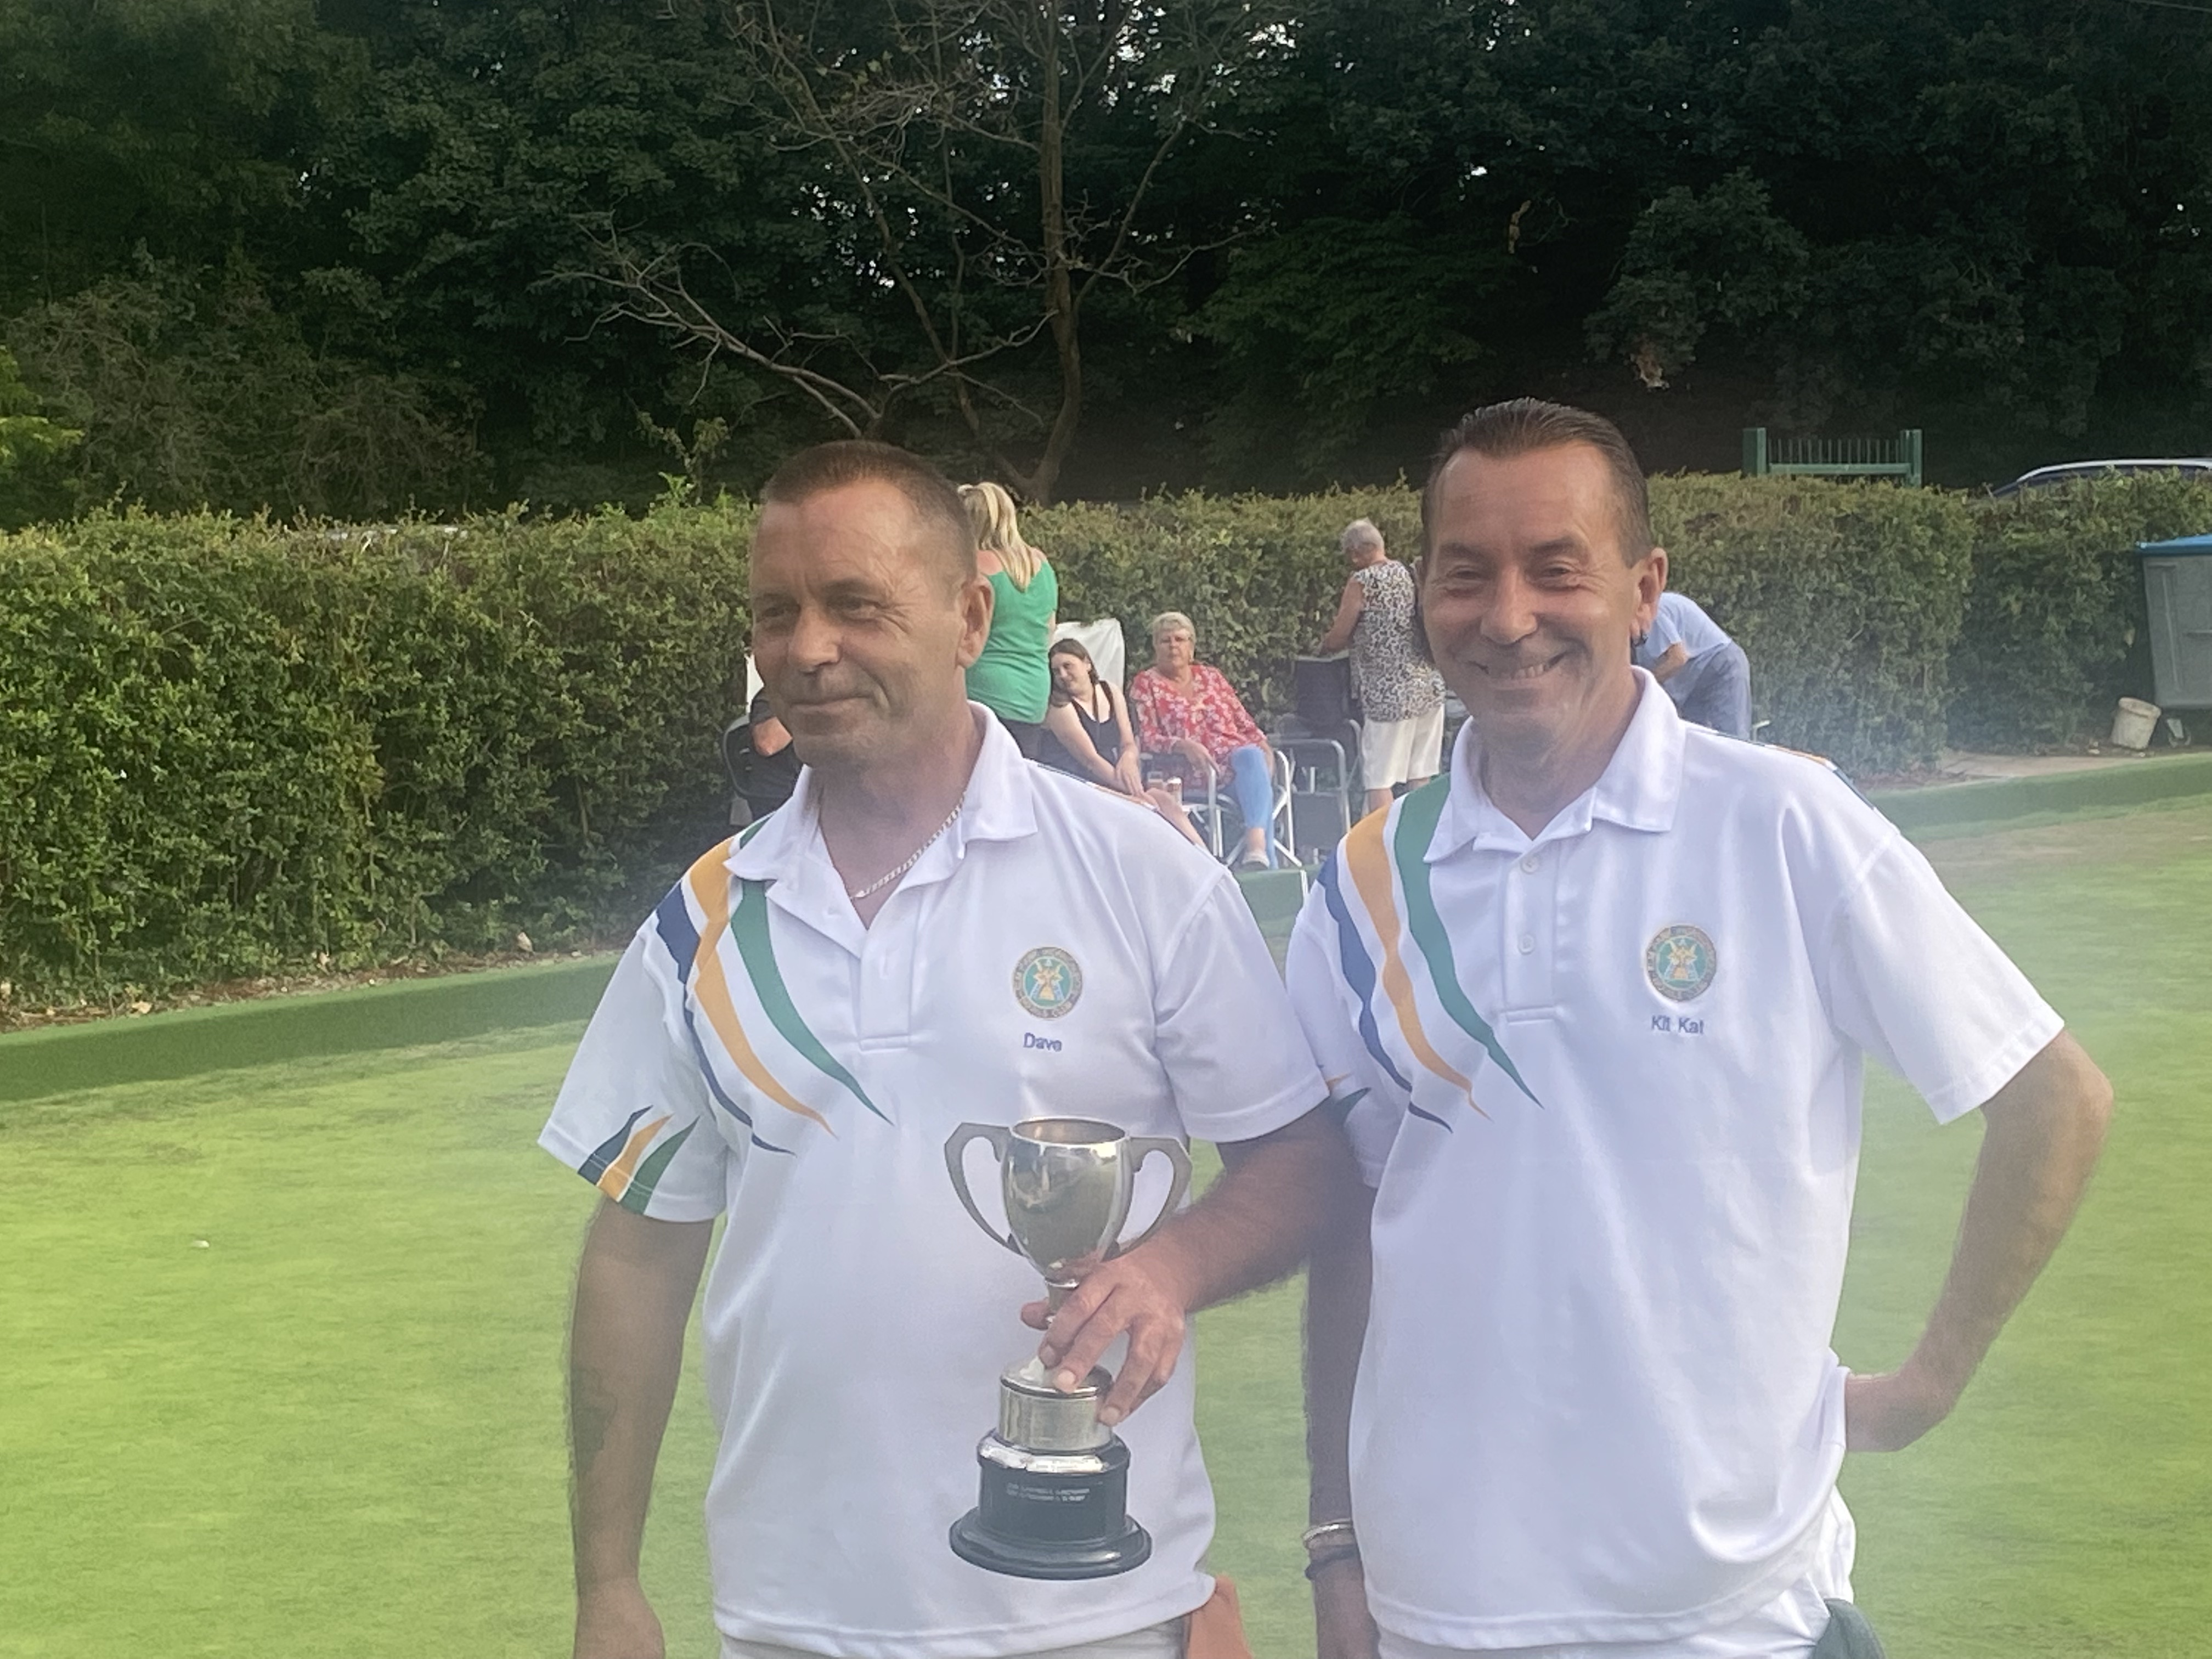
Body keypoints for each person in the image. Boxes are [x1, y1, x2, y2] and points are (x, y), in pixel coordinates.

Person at [1288, 400, 2112, 1659]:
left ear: (1643, 589)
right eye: (1467, 575)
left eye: (1557, 568)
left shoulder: (1782, 823)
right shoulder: (1360, 887)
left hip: (1738, 1619)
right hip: (1437, 1609)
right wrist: (1334, 1542)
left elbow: (2053, 1096)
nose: (1510, 617)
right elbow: (1347, 1236)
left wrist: (1928, 1383)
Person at [542, 440, 1342, 1659]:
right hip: (798, 1614)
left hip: (1100, 1612)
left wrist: (1171, 1267)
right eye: (776, 613)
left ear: (971, 615)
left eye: (856, 605)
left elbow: (1303, 1161)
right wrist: (606, 1583)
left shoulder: (1142, 876)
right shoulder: (702, 919)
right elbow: (640, 1254)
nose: (808, 649)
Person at [1314, 518, 1448, 815]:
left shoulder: (1363, 581)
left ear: (1356, 552)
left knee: (1380, 779)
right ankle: (1421, 841)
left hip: (1388, 695)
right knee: (1421, 776)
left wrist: (1321, 647)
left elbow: (1340, 634)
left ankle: (1381, 845)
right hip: (1427, 686)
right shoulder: (1409, 574)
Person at [1128, 612, 1278, 870]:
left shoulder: (1212, 677)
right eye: (1165, 641)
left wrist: (1265, 749)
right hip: (1190, 773)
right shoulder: (1146, 684)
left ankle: (1257, 849)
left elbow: (1245, 724)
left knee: (1252, 756)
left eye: (1180, 640)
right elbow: (1147, 737)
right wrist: (1182, 745)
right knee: (1259, 797)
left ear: (1191, 647)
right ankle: (1267, 865)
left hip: (1238, 768)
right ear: (1156, 647)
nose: (1173, 646)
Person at [1040, 636, 1206, 848]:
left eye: (1068, 666)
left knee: (1165, 801)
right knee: (1146, 807)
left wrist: (1128, 757)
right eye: (1056, 671)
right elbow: (1090, 760)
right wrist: (1133, 792)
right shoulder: (1059, 709)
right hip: (1077, 785)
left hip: (1112, 779)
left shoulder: (1110, 691)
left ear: (1087, 664)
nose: (1063, 675)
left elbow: (1128, 741)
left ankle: (1206, 857)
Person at [961, 479, 1059, 757]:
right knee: (1016, 781)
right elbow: (1049, 630)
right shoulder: (1040, 564)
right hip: (1033, 693)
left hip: (983, 690)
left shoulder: (975, 564)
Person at [1634, 589, 1752, 738]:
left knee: (1733, 741)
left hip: (1722, 668)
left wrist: (1645, 682)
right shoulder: (1638, 620)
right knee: (1693, 741)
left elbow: (1677, 659)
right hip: (1695, 681)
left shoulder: (1653, 613)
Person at [725, 688, 802, 827]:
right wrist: (810, 709)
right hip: (778, 802)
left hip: (823, 796)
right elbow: (767, 744)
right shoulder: (774, 695)